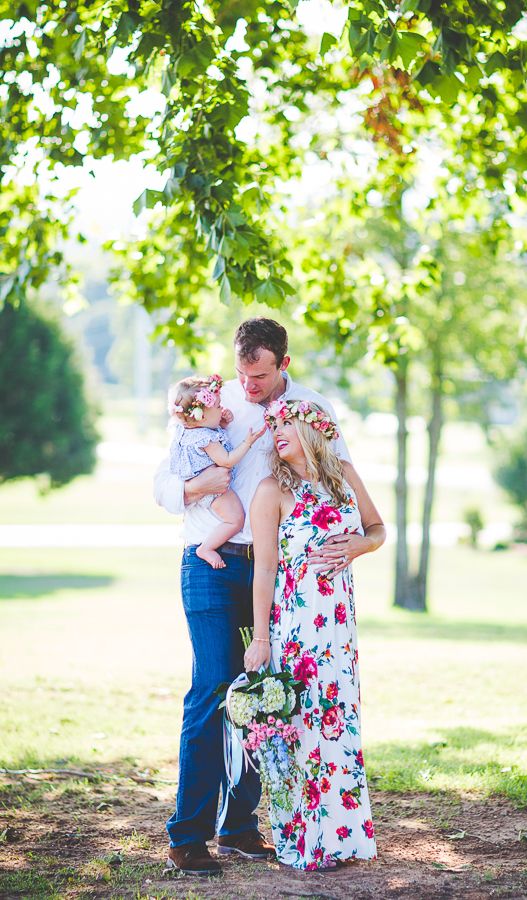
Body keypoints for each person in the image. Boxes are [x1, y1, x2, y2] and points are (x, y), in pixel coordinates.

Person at [153, 317, 364, 875]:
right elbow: (162, 486)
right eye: (242, 373)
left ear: (283, 366)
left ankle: (240, 828)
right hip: (212, 562)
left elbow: (334, 476)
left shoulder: (312, 409)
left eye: (260, 376)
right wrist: (202, 486)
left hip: (277, 574)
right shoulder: (209, 405)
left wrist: (350, 540)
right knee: (213, 687)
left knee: (264, 690)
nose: (248, 386)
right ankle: (188, 835)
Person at [243, 398, 383, 870]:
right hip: (297, 626)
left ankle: (343, 837)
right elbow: (263, 570)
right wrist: (260, 638)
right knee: (301, 728)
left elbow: (378, 529)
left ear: (313, 429)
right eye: (273, 425)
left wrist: (362, 545)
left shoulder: (343, 474)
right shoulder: (271, 491)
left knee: (338, 722)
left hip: (339, 628)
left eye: (286, 423)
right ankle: (305, 841)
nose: (277, 431)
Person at [166, 374, 263, 568]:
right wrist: (247, 442)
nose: (222, 409)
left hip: (199, 485)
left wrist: (222, 424)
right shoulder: (207, 440)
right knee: (235, 520)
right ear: (200, 415)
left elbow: (211, 432)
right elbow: (226, 460)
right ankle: (207, 548)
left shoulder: (185, 431)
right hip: (216, 490)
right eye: (218, 406)